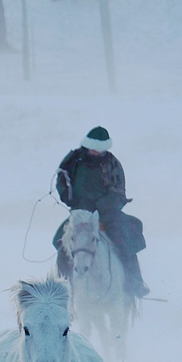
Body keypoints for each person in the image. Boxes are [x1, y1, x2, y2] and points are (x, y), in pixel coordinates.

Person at [53, 126, 149, 298]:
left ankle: (135, 284)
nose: (96, 153)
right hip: (79, 213)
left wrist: (102, 207)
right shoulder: (73, 161)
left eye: (100, 151)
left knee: (124, 241)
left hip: (108, 214)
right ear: (87, 146)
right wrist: (72, 201)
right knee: (60, 242)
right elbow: (62, 181)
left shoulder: (112, 164)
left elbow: (118, 191)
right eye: (93, 149)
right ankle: (63, 286)